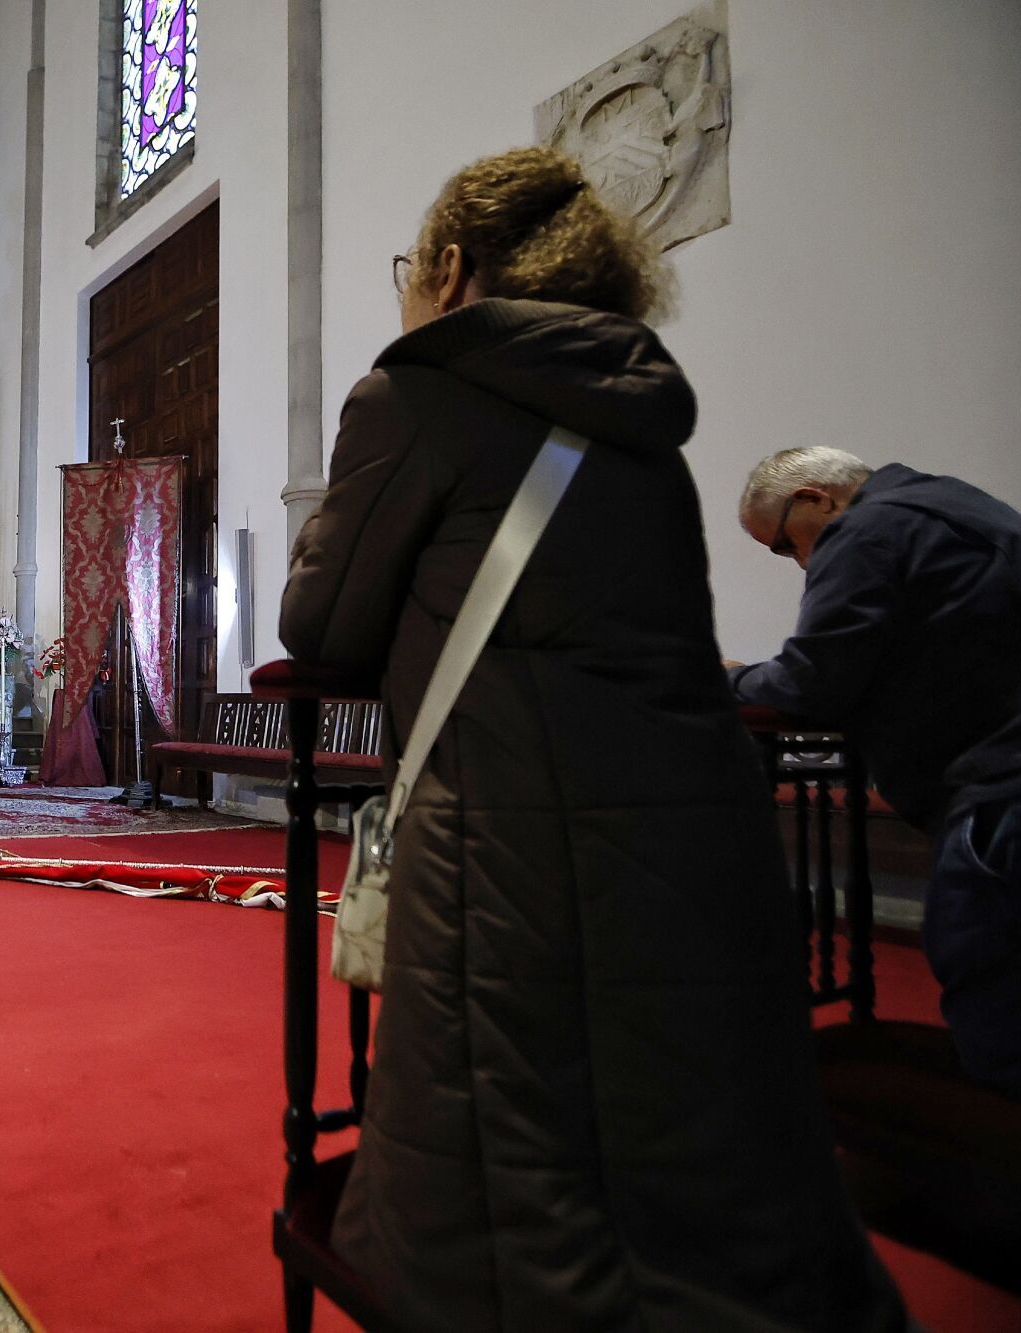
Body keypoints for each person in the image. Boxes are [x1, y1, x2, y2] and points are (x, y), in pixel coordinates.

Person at [280, 146, 904, 1330]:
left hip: (513, 852)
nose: (403, 292)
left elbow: (318, 620)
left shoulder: (414, 393)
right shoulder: (637, 422)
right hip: (696, 848)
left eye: (409, 267)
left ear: (452, 267)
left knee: (532, 1220)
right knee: (703, 1182)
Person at [729, 447, 1021, 1096]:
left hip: (996, 797)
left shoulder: (866, 530)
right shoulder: (956, 503)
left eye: (784, 545)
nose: (801, 563)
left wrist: (725, 679)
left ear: (813, 499)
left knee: (995, 1006)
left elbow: (808, 684)